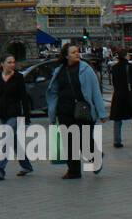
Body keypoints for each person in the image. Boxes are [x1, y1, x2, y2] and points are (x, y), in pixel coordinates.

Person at [46, 43, 107, 179]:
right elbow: (53, 92)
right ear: (66, 56)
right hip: (64, 110)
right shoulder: (59, 71)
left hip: (82, 110)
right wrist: (52, 114)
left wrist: (101, 112)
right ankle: (73, 171)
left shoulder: (86, 70)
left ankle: (95, 157)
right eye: (73, 52)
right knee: (69, 141)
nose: (77, 54)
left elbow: (96, 92)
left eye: (77, 52)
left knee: (83, 140)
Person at [0, 55, 34, 180]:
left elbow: (24, 98)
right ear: (2, 64)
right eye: (9, 62)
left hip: (15, 114)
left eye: (13, 62)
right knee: (13, 141)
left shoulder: (18, 77)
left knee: (6, 138)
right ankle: (26, 166)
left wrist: (27, 117)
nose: (12, 64)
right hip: (2, 113)